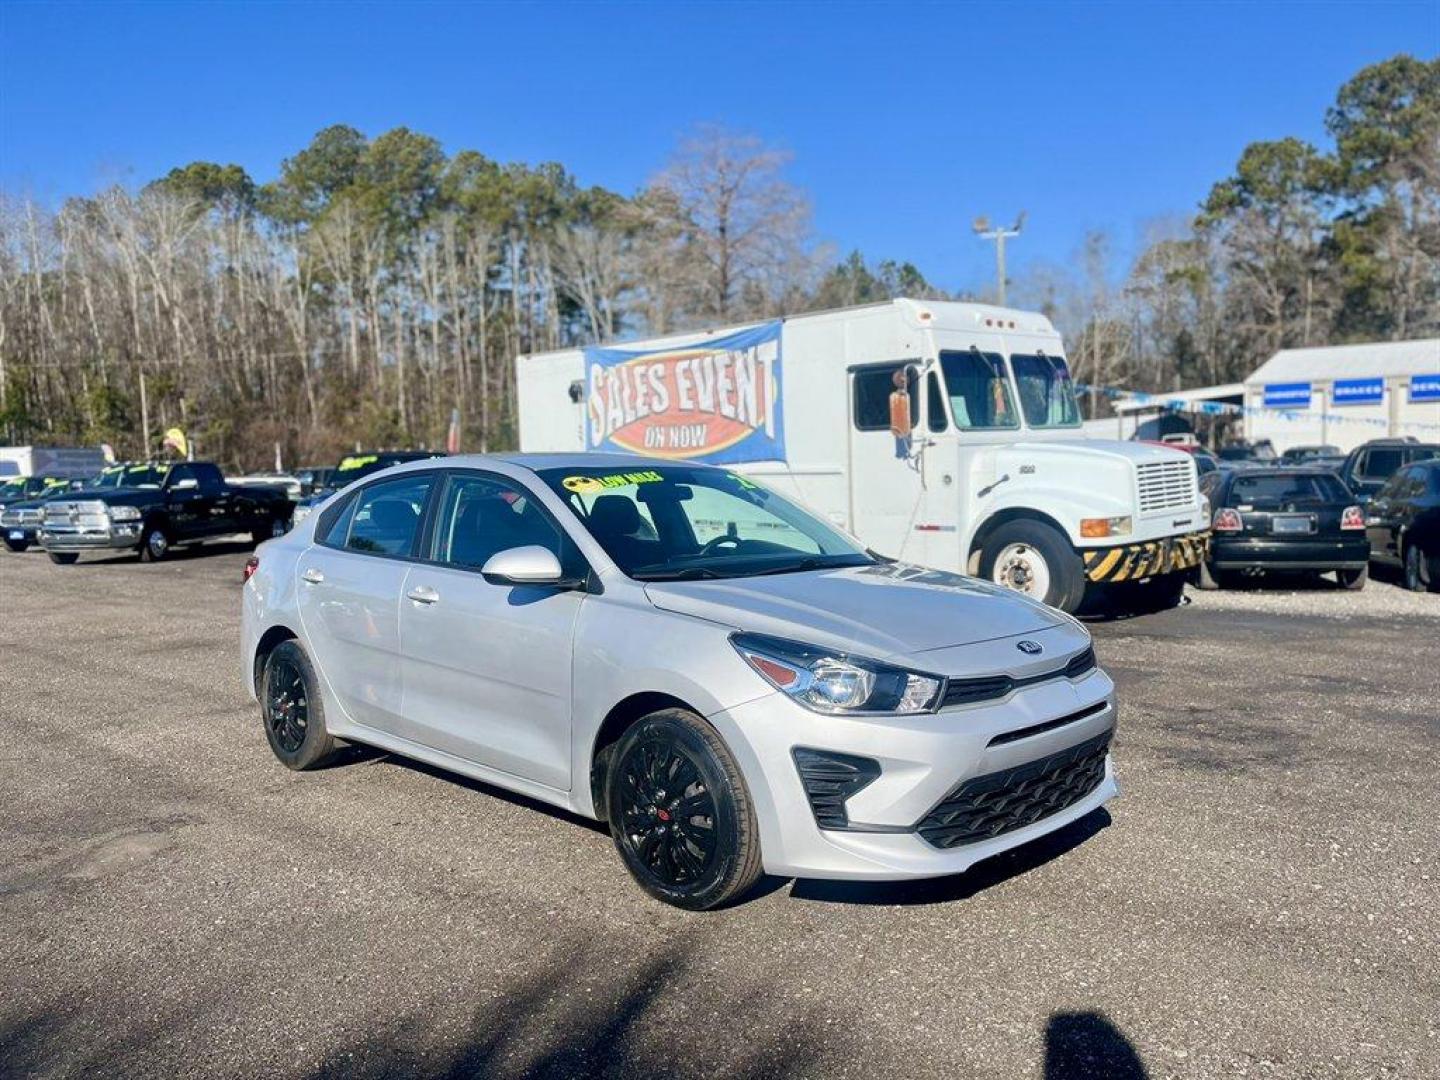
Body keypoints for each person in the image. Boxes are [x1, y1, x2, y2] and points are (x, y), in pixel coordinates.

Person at [889, 367, 913, 460]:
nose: (904, 380)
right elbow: (899, 429)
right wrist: (901, 427)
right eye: (902, 379)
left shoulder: (907, 397)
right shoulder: (898, 398)